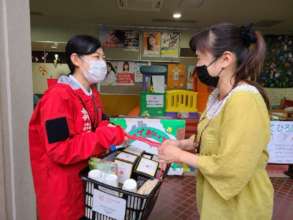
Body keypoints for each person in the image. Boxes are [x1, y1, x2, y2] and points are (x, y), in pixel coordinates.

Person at [158, 23, 274, 220]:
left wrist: (179, 155)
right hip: (217, 203)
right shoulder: (218, 97)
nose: (197, 66)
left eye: (199, 57)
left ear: (225, 59)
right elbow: (215, 136)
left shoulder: (244, 100)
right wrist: (182, 144)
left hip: (240, 208)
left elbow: (232, 166)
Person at [29, 35, 126, 220]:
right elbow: (59, 149)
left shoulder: (92, 94)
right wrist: (105, 137)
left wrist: (110, 129)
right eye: (96, 57)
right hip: (62, 192)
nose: (102, 63)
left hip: (86, 183)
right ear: (75, 59)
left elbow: (100, 123)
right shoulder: (56, 98)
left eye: (103, 58)